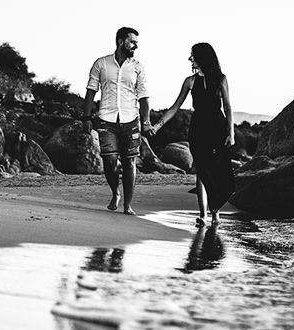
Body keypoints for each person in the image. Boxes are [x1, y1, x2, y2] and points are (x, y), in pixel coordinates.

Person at [153, 42, 235, 227]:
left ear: (202, 57)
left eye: (193, 55)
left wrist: (231, 132)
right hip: (198, 129)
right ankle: (204, 215)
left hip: (217, 127)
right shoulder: (190, 81)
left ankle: (215, 211)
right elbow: (175, 107)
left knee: (217, 170)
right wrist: (158, 125)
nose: (190, 59)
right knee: (201, 171)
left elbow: (228, 106)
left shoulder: (221, 79)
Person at [81, 27, 151, 215]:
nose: (135, 45)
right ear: (121, 42)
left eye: (136, 42)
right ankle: (115, 193)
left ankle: (128, 204)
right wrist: (86, 117)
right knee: (110, 161)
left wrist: (146, 121)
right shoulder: (101, 64)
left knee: (129, 163)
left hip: (131, 119)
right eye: (132, 41)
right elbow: (90, 91)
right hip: (107, 119)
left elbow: (144, 97)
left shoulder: (138, 67)